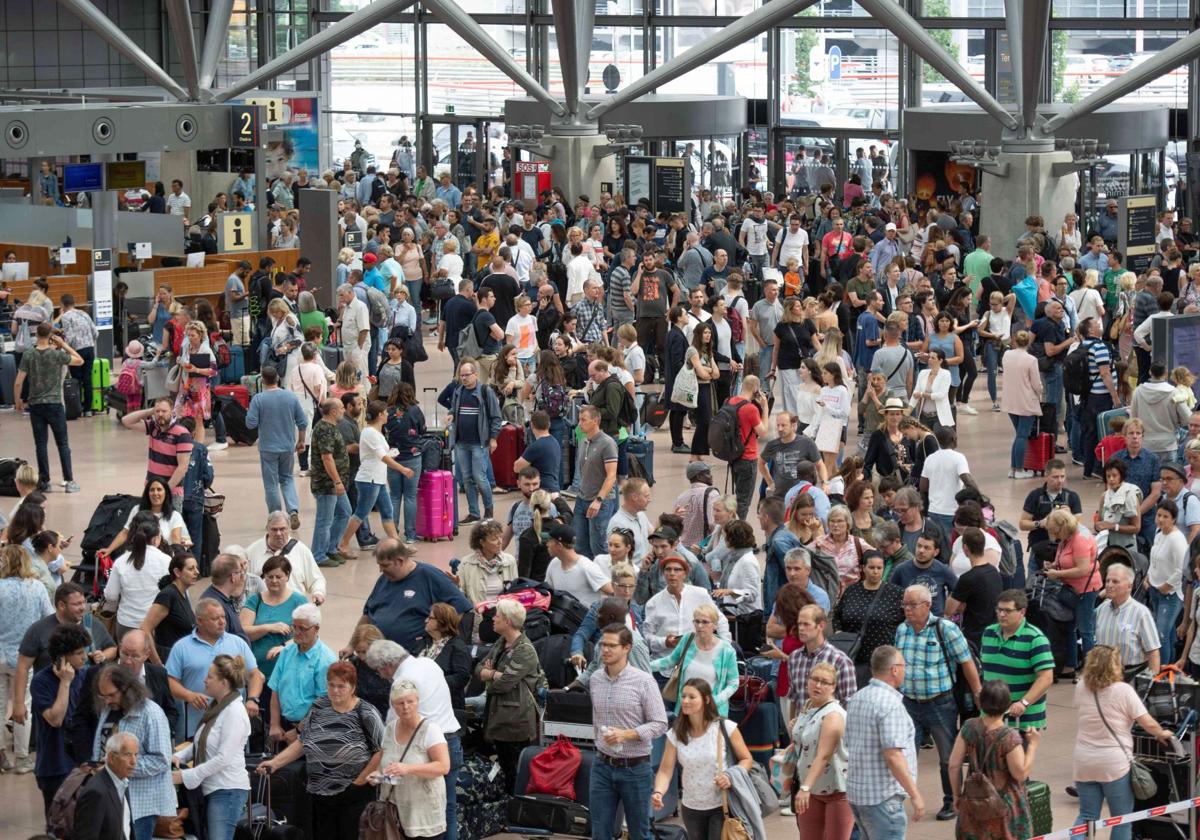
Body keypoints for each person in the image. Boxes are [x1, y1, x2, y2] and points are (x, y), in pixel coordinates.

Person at [257, 661, 384, 837]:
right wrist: (275, 763)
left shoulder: (366, 712)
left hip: (355, 795)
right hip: (319, 793)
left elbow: (381, 751)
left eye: (341, 686)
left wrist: (358, 784)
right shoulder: (319, 707)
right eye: (331, 685)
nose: (335, 690)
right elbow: (303, 742)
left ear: (353, 687)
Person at [894, 583, 981, 822]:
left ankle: (952, 801)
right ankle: (899, 799)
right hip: (909, 702)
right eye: (905, 605)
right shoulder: (902, 630)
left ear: (928, 605)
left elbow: (966, 662)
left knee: (947, 757)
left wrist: (977, 693)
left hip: (940, 704)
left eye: (912, 605)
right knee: (904, 754)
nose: (907, 610)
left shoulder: (946, 629)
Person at [363, 638, 464, 840]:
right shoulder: (428, 663)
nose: (382, 676)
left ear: (386, 666)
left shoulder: (402, 684)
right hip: (451, 740)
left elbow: (391, 731)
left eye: (379, 671)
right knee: (448, 810)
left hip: (426, 748)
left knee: (424, 818)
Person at [1073, 645, 1172, 840]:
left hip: (1083, 761)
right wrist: (1162, 733)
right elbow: (1148, 724)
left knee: (1087, 816)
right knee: (1122, 819)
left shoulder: (1081, 686)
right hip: (1113, 764)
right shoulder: (1123, 690)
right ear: (1115, 666)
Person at [590, 624, 669, 840]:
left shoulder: (643, 681)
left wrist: (627, 734)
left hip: (635, 768)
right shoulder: (595, 679)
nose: (605, 650)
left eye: (611, 645)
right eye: (603, 644)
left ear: (626, 648)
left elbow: (660, 723)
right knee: (599, 833)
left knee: (640, 834)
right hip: (601, 767)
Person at [652, 678, 753, 840]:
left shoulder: (725, 727)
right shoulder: (676, 734)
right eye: (683, 696)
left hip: (722, 804)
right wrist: (658, 791)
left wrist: (730, 776)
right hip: (690, 806)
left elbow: (747, 759)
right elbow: (665, 770)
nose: (685, 701)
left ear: (706, 699)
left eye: (692, 697)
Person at [89, 663, 176, 840]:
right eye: (102, 696)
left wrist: (116, 767)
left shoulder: (151, 714)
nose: (106, 701)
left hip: (141, 804)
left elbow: (161, 760)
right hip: (112, 796)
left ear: (127, 689)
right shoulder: (108, 709)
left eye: (111, 695)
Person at [845, 645, 924, 836]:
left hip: (858, 794)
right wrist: (915, 794)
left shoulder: (857, 698)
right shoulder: (890, 705)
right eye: (904, 666)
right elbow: (893, 756)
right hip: (882, 797)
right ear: (895, 669)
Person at [170, 655, 251, 840]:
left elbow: (223, 758)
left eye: (210, 676)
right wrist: (178, 756)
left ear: (223, 682)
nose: (204, 680)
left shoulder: (235, 712)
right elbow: (201, 742)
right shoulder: (217, 708)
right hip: (210, 788)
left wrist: (186, 776)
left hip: (227, 790)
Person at [947, 680, 1038, 840]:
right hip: (1004, 807)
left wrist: (956, 796)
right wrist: (1032, 746)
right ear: (1007, 705)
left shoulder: (968, 727)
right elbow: (1021, 773)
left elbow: (953, 766)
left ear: (981, 703)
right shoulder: (1009, 736)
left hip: (974, 802)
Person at [165, 598, 264, 739]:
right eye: (215, 618)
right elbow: (170, 681)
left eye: (223, 617)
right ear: (199, 621)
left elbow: (255, 675)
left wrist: (253, 699)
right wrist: (189, 696)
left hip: (233, 728)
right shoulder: (181, 647)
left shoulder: (238, 643)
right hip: (194, 727)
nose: (222, 621)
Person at [474, 599, 545, 792]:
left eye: (497, 615)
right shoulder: (501, 642)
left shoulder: (524, 650)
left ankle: (515, 808)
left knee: (514, 770)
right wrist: (493, 674)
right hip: (498, 716)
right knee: (505, 766)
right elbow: (479, 668)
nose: (493, 619)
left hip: (515, 722)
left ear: (508, 621)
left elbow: (503, 685)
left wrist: (490, 676)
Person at [369, 678, 452, 840]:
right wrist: (378, 777)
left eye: (410, 701)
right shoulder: (390, 729)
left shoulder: (430, 730)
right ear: (393, 705)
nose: (406, 707)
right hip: (395, 813)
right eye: (400, 703)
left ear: (417, 702)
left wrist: (408, 768)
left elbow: (443, 766)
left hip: (424, 814)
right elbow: (391, 769)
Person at [355, 540, 472, 654]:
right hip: (379, 657)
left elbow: (461, 608)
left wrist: (439, 643)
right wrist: (352, 645)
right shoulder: (384, 580)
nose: (381, 570)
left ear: (400, 561)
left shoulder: (430, 576)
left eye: (385, 565)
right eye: (379, 565)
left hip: (414, 657)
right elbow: (367, 613)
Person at [780, 662, 853, 840]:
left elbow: (823, 755)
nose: (818, 685)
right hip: (812, 788)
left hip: (837, 791)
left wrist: (805, 788)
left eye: (824, 682)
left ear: (833, 687)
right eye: (814, 679)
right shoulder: (808, 705)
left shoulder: (833, 715)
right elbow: (805, 741)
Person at [335, 400, 414, 553]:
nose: (387, 416)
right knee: (361, 512)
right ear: (380, 415)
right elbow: (382, 457)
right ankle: (343, 543)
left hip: (377, 478)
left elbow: (381, 454)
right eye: (385, 413)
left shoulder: (376, 432)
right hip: (369, 479)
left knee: (387, 511)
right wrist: (403, 469)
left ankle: (398, 546)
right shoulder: (370, 433)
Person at [0, 543, 52, 772]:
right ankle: (22, 758)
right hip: (26, 656)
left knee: (0, 707)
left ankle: (1, 754)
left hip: (0, 654)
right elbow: (48, 617)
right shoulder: (37, 587)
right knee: (24, 706)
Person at [13, 322, 82, 493]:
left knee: (41, 444)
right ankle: (69, 480)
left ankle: (45, 482)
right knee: (63, 444)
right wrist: (64, 345)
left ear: (36, 335)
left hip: (36, 405)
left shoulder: (28, 355)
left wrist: (18, 402)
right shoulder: (56, 355)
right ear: (51, 336)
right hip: (55, 404)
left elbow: (18, 382)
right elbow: (80, 360)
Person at [31, 623, 91, 817]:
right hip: (54, 765)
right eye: (79, 652)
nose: (84, 656)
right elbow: (55, 719)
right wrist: (65, 683)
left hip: (81, 764)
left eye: (85, 651)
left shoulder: (85, 676)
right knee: (58, 825)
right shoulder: (41, 681)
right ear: (63, 656)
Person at [979, 590, 1056, 732]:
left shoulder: (1036, 639)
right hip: (991, 716)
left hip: (1023, 720)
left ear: (1022, 612)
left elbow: (1046, 677)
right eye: (999, 609)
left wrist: (1024, 703)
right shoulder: (988, 633)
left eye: (1007, 611)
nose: (1002, 614)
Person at [245, 365, 308, 527]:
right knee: (287, 479)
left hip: (268, 447)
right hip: (287, 446)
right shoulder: (290, 397)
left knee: (271, 483)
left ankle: (276, 516)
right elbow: (302, 422)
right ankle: (293, 510)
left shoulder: (259, 399)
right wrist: (301, 441)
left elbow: (250, 424)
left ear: (263, 380)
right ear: (278, 378)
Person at [440, 359, 501, 524]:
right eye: (462, 375)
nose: (464, 378)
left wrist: (493, 438)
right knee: (466, 478)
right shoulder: (459, 391)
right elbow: (453, 408)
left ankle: (489, 511)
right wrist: (451, 414)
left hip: (479, 443)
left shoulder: (485, 391)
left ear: (475, 374)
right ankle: (474, 513)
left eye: (467, 375)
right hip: (461, 443)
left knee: (480, 477)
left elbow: (496, 417)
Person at [1043, 509, 1102, 677]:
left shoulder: (1080, 539)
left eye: (1055, 531)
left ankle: (1090, 669)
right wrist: (1053, 565)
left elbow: (1083, 569)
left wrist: (1058, 574)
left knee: (1085, 630)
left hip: (1085, 590)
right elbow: (1064, 559)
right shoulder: (1067, 537)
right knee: (1069, 626)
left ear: (1063, 527)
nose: (1054, 535)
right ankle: (1070, 664)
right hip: (1071, 588)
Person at [830, 549, 905, 682]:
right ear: (863, 568)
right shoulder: (852, 591)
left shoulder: (895, 593)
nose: (875, 571)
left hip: (883, 661)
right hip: (852, 658)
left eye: (879, 568)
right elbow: (837, 615)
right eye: (871, 567)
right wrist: (839, 632)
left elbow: (905, 621)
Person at [650, 603, 739, 715]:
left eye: (705, 622)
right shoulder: (688, 639)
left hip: (711, 711)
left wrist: (715, 700)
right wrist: (643, 667)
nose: (700, 626)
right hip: (685, 709)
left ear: (715, 625)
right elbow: (670, 661)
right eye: (697, 621)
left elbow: (733, 683)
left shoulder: (726, 651)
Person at [103, 512, 172, 639]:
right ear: (156, 539)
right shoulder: (166, 560)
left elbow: (111, 595)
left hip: (126, 623)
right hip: (155, 624)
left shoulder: (121, 561)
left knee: (128, 657)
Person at [1094, 561, 1161, 677]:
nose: (1109, 585)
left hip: (1132, 677)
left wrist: (1150, 685)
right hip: (1104, 676)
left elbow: (1153, 652)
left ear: (1129, 586)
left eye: (1115, 581)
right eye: (1107, 581)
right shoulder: (1101, 609)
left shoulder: (1141, 613)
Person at [787, 604, 858, 708]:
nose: (801, 629)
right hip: (802, 722)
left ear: (821, 626)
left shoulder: (840, 661)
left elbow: (848, 705)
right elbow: (794, 698)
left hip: (830, 722)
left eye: (806, 624)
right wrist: (793, 723)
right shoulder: (794, 658)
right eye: (799, 624)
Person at [944, 528, 1003, 650]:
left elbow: (949, 610)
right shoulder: (994, 572)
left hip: (974, 637)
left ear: (965, 548)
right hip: (994, 633)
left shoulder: (967, 578)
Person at [245, 513, 327, 602]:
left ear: (289, 529)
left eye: (282, 529)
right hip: (263, 609)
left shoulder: (301, 550)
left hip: (294, 610)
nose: (278, 533)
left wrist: (318, 593)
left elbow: (316, 579)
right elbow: (243, 583)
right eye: (274, 529)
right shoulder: (251, 552)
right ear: (267, 529)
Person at [572, 405, 620, 557]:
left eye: (583, 420)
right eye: (579, 419)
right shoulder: (584, 441)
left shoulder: (607, 443)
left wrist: (599, 500)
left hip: (600, 503)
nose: (579, 423)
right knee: (579, 545)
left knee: (598, 547)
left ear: (596, 421)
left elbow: (611, 475)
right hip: (582, 499)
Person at [98, 479, 187, 559]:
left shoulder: (175, 515)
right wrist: (109, 549)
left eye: (159, 490)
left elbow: (176, 540)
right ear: (147, 493)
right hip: (136, 555)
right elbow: (125, 532)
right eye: (152, 490)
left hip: (162, 557)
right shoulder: (137, 509)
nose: (155, 493)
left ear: (166, 493)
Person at [74, 731, 138, 840]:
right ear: (112, 758)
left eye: (136, 755)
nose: (134, 761)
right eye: (128, 755)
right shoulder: (96, 792)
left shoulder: (122, 782)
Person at [1147, 499, 1188, 662]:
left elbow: (1181, 568)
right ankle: (1169, 668)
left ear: (1174, 519)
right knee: (1167, 635)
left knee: (1160, 636)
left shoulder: (1176, 539)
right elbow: (1154, 558)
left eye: (1166, 516)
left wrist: (1167, 585)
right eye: (1159, 515)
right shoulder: (1159, 534)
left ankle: (1161, 671)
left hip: (1170, 594)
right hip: (1155, 590)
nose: (1161, 519)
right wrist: (1149, 577)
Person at [140, 552, 199, 665]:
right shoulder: (168, 595)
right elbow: (145, 628)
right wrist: (157, 662)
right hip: (169, 659)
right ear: (177, 572)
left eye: (196, 568)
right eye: (191, 569)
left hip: (182, 657)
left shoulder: (183, 593)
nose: (197, 572)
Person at [999, 331, 1044, 479]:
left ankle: (1013, 468)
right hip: (1026, 402)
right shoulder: (1031, 360)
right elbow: (1036, 384)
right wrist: (1041, 393)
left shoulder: (1006, 355)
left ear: (1014, 341)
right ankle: (1018, 469)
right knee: (1022, 436)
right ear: (1028, 342)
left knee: (1018, 435)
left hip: (1010, 401)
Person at [418, 603, 472, 713]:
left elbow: (461, 677)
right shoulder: (424, 642)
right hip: (422, 702)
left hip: (446, 706)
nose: (426, 620)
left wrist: (433, 683)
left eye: (431, 618)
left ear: (442, 622)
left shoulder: (457, 647)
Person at [544, 523, 613, 608]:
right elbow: (546, 591)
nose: (547, 544)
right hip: (562, 618)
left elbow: (612, 590)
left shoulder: (586, 567)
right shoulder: (554, 563)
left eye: (549, 541)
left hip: (586, 619)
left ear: (559, 545)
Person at [458, 520, 518, 603]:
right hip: (478, 614)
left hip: (503, 613)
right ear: (482, 542)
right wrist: (456, 586)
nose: (500, 542)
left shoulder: (509, 561)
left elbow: (515, 592)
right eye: (494, 539)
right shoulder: (466, 564)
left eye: (500, 537)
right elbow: (461, 597)